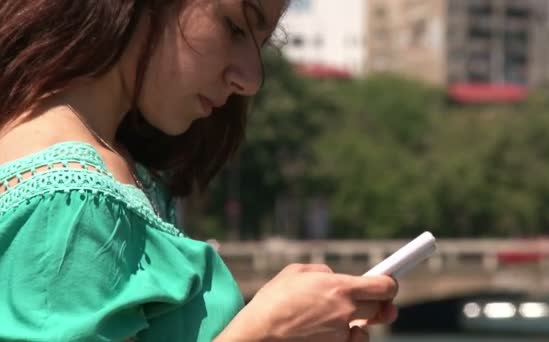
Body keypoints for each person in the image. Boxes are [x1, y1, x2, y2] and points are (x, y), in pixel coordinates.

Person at [0, 0, 398, 341]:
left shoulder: (101, 163)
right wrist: (265, 330)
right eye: (235, 26)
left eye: (260, 44)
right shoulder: (72, 207)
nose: (251, 79)